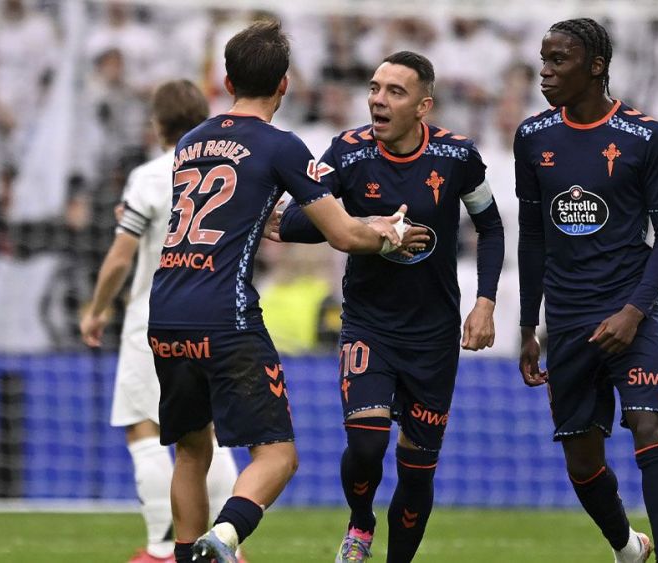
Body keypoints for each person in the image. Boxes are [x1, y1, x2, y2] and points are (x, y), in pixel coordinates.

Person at [145, 22, 409, 563]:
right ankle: (223, 538)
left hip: (166, 308)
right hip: (225, 314)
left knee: (191, 451)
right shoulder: (281, 145)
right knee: (278, 457)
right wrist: (387, 234)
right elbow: (343, 235)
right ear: (284, 84)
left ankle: (186, 554)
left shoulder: (191, 141)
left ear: (227, 81)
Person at [275, 51, 504, 562]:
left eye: (394, 92)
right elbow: (292, 221)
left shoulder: (458, 156)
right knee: (367, 445)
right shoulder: (347, 152)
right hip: (369, 326)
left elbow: (490, 226)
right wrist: (368, 227)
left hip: (433, 336)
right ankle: (360, 523)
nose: (378, 99)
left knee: (417, 470)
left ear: (423, 106)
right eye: (375, 88)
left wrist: (485, 302)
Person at [516, 18, 658, 562]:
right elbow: (533, 237)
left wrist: (634, 311)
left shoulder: (647, 138)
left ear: (596, 66)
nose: (545, 72)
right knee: (583, 462)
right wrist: (528, 325)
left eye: (558, 60)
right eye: (543, 60)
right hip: (568, 320)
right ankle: (627, 547)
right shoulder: (532, 137)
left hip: (631, 310)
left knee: (650, 427)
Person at [79, 80, 243, 563]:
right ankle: (228, 546)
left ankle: (160, 549)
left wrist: (96, 310)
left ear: (157, 125)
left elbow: (119, 258)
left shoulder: (148, 176)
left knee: (144, 427)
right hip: (214, 313)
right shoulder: (227, 174)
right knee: (207, 432)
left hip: (153, 316)